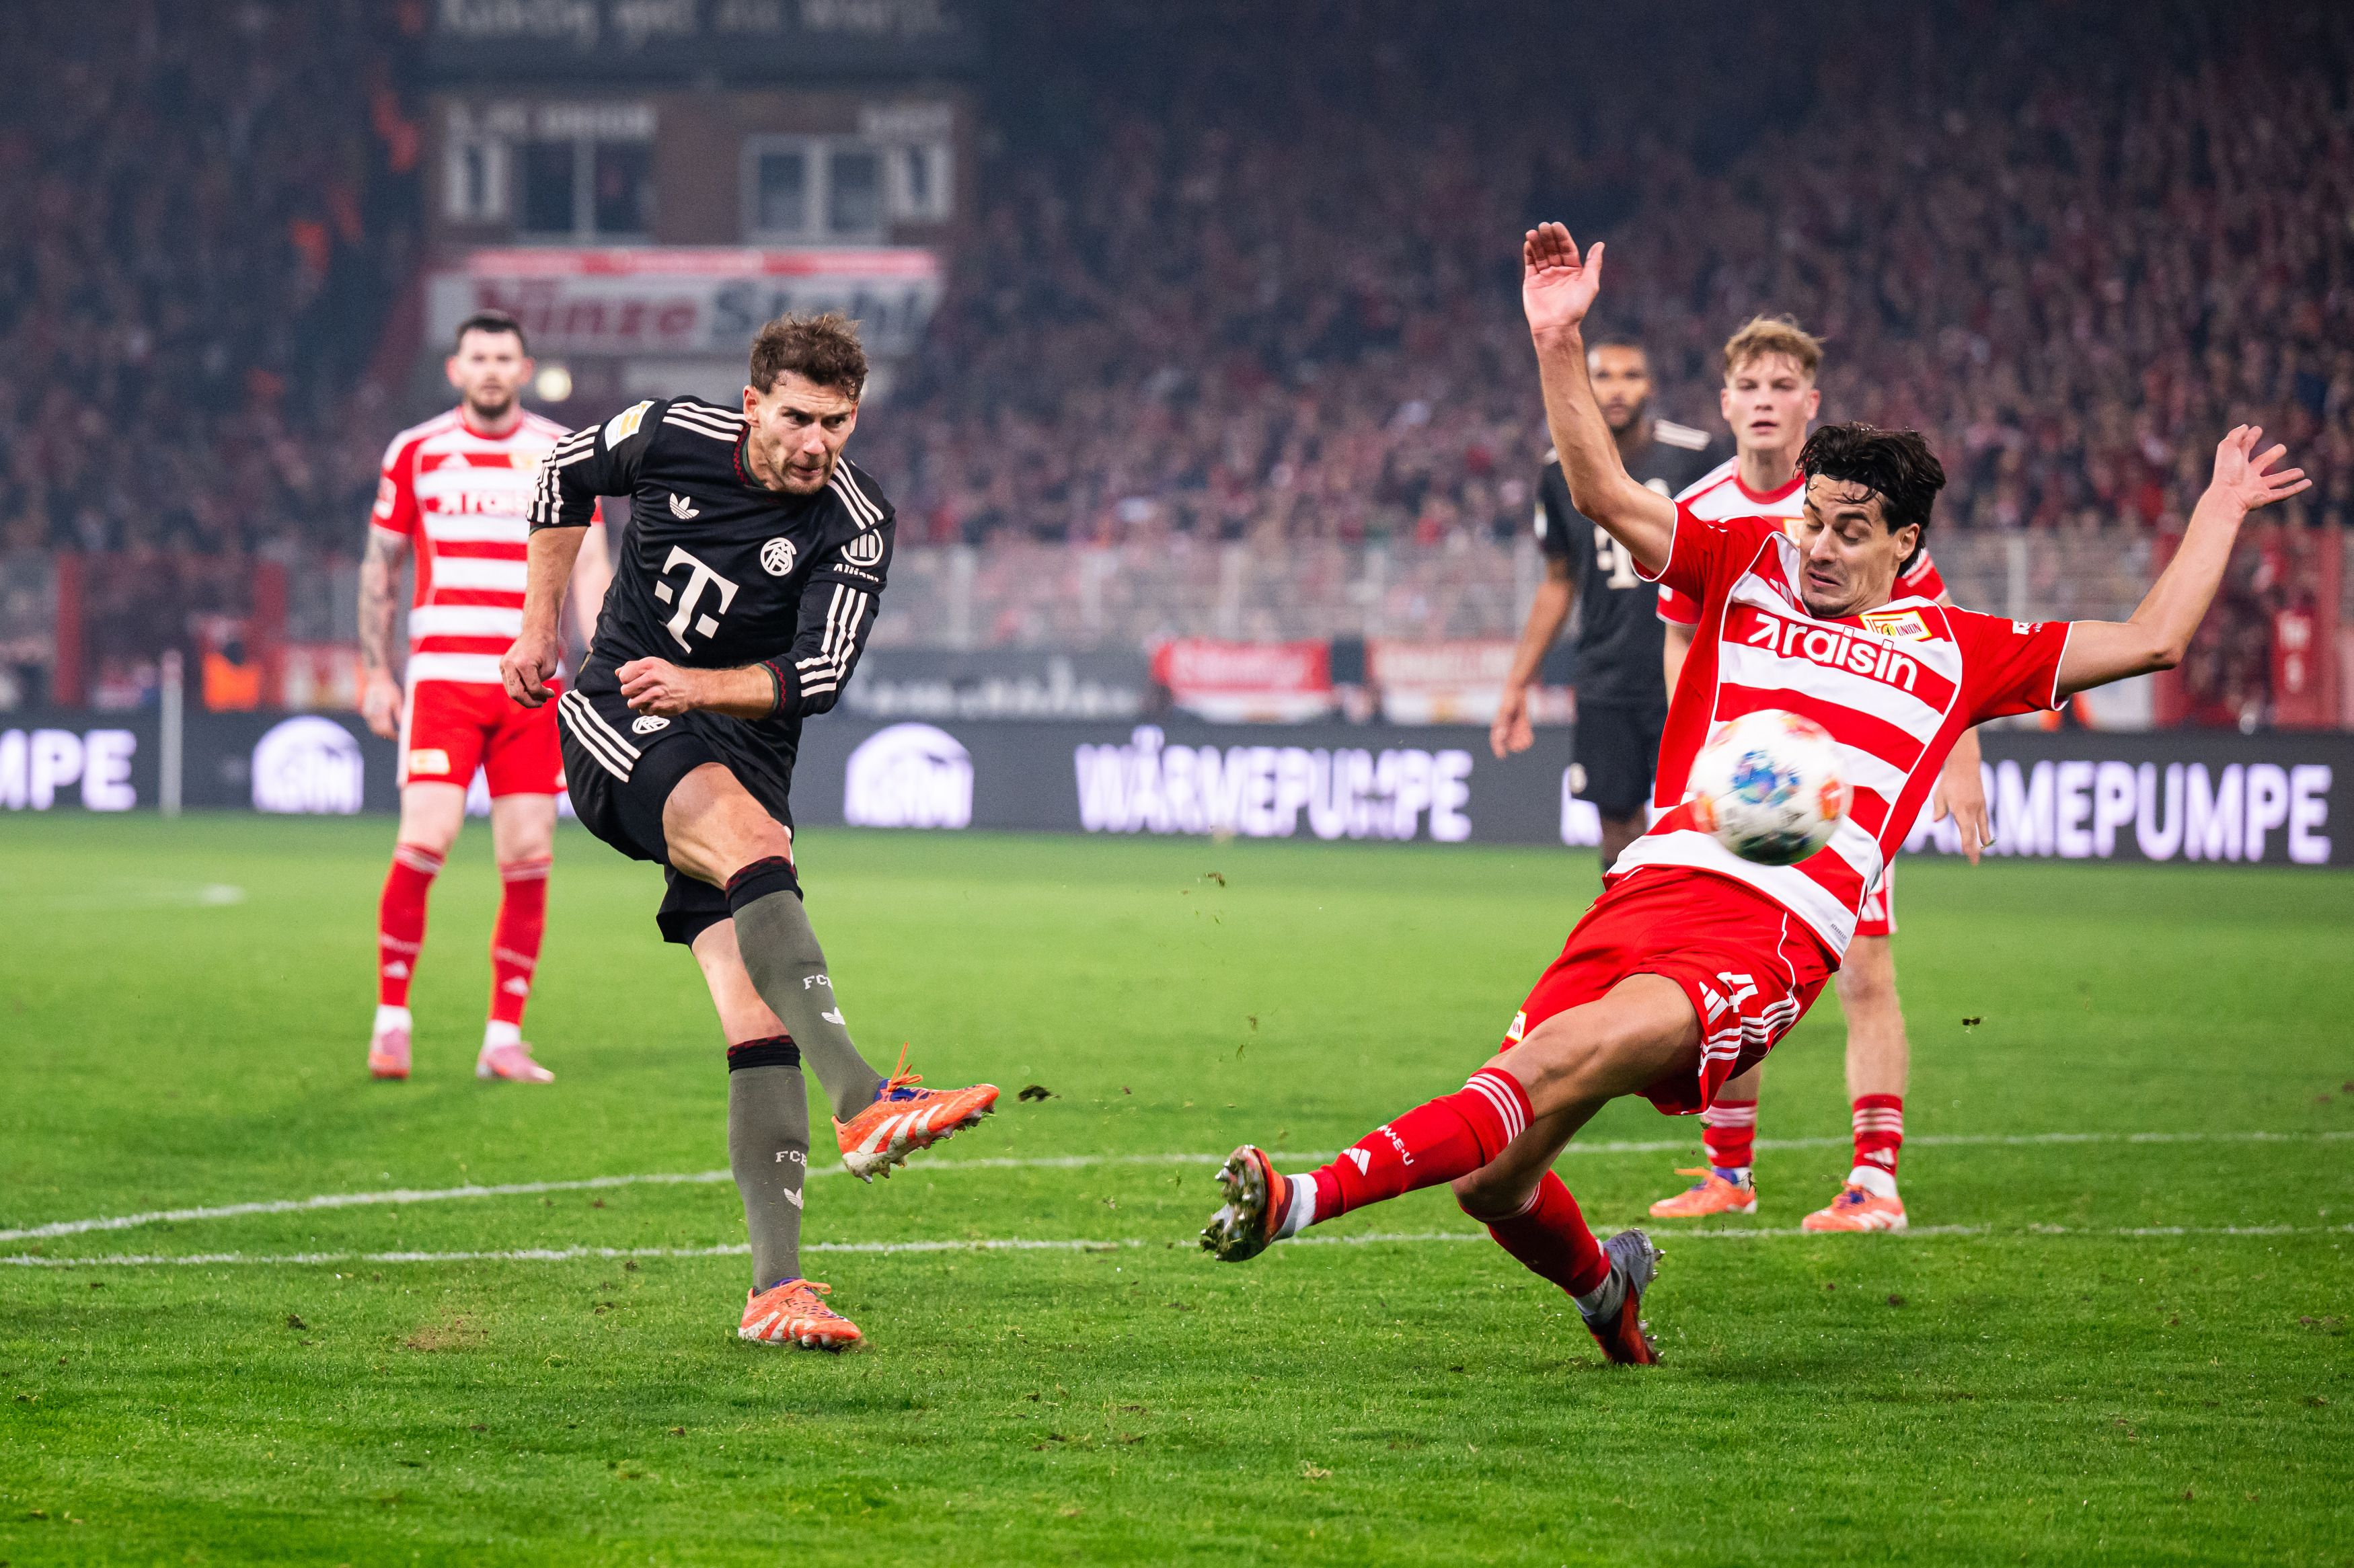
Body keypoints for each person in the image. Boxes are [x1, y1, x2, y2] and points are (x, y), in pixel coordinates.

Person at [1201, 222, 2306, 1367]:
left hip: (1770, 928)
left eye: (1849, 530)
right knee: (1494, 1178)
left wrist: (2221, 507)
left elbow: (2156, 638)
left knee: (1544, 1068)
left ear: (1905, 540)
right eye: (1811, 519)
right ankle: (1608, 1293)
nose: (1818, 546)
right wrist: (1557, 339)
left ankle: (1298, 1198)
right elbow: (1597, 488)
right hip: (1649, 890)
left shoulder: (1960, 649)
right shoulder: (1740, 568)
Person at [504, 312, 998, 1352]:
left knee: (756, 1015)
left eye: (839, 421)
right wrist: (540, 620)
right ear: (752, 405)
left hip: (737, 754)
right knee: (747, 843)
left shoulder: (858, 522)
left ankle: (777, 1291)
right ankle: (865, 1097)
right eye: (798, 418)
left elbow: (816, 678)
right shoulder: (671, 434)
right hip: (621, 712)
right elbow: (561, 473)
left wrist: (703, 689)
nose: (817, 441)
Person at [1646, 317, 1990, 1232]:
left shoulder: (1856, 508)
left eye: (1781, 385)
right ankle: (1729, 1174)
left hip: (1849, 778)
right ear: (1726, 404)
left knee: (1865, 971)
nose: (1764, 401)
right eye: (1749, 386)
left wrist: (1964, 759)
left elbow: (1943, 645)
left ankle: (1874, 1182)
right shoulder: (1705, 509)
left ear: (1810, 404)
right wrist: (1707, 757)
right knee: (1723, 970)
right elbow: (1680, 643)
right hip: (1743, 787)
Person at [362, 311, 611, 1084]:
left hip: (532, 686)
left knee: (529, 854)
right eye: (480, 357)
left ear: (525, 367)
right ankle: (392, 1019)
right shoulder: (416, 452)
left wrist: (601, 666)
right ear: (456, 369)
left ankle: (503, 1036)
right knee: (425, 838)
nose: (493, 369)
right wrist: (376, 671)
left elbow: (591, 562)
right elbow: (381, 567)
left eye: (506, 357)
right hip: (443, 678)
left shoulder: (558, 454)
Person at [1490, 336, 1720, 869]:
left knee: (1702, 828)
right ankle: (1632, 951)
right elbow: (1558, 581)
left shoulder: (1698, 456)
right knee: (1618, 832)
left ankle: (1691, 949)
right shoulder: (1556, 470)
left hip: (1688, 672)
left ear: (1651, 386)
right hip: (1605, 677)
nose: (1617, 389)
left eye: (1630, 375)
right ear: (1586, 387)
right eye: (1604, 377)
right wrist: (1516, 683)